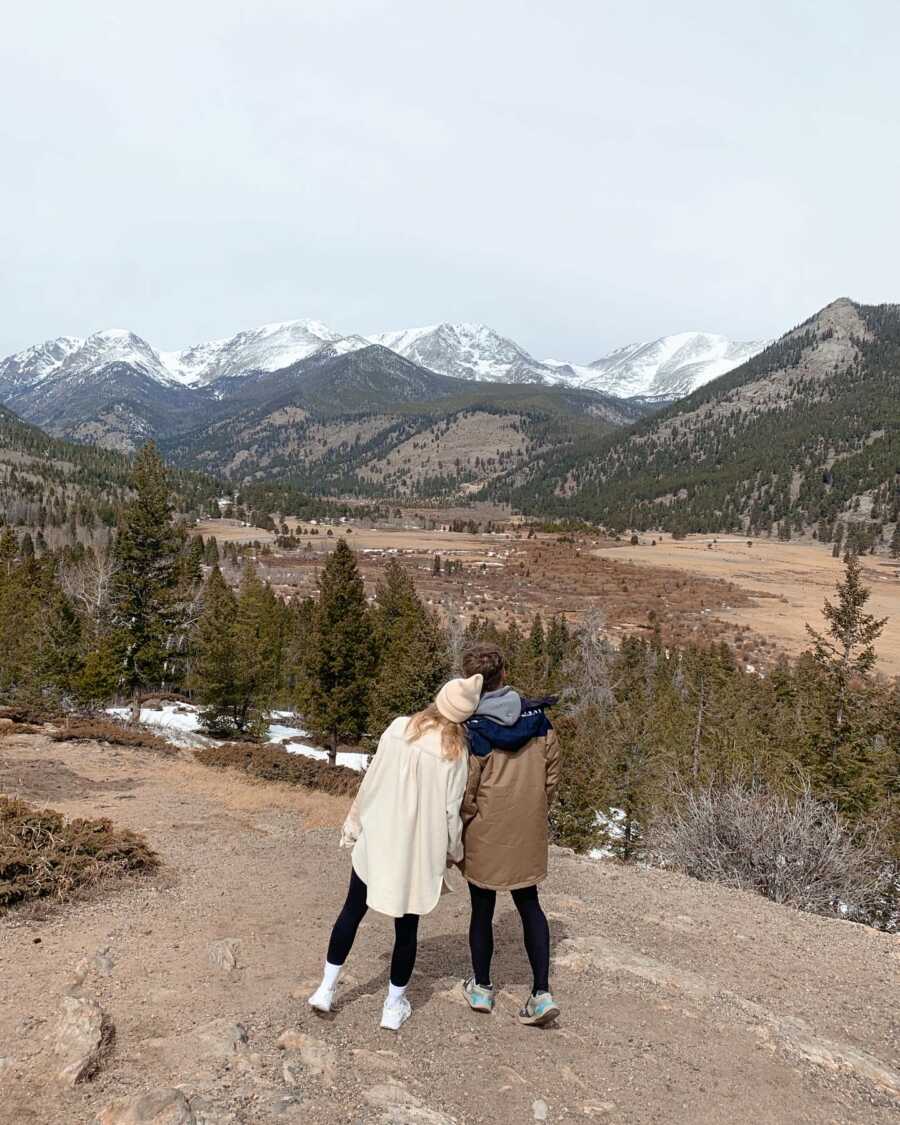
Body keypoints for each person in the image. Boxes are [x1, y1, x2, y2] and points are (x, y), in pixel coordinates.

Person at [308, 674, 482, 1031]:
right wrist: (452, 852)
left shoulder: (399, 728)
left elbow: (371, 781)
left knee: (352, 911)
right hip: (418, 850)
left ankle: (326, 988)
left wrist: (355, 824)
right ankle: (392, 1006)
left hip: (380, 836)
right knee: (407, 929)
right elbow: (452, 812)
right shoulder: (456, 753)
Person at [457, 643, 561, 1027]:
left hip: (486, 830)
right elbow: (551, 777)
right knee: (529, 904)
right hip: (527, 827)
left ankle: (482, 988)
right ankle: (541, 992)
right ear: (505, 673)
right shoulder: (540, 719)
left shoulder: (475, 731)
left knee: (482, 908)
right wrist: (535, 810)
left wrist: (464, 824)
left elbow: (467, 790)